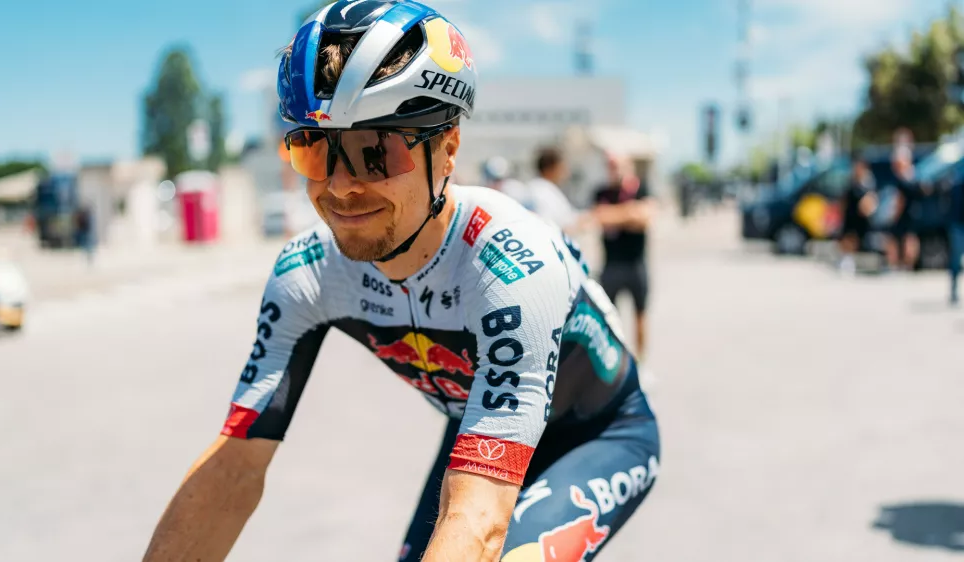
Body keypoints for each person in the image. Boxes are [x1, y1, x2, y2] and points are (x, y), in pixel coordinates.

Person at [142, 2, 660, 561]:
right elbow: (234, 470)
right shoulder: (307, 274)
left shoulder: (509, 263)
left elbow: (480, 521)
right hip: (478, 425)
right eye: (313, 151)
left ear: (449, 148)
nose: (339, 188)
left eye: (373, 152)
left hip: (599, 435)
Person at [591, 154, 655, 364]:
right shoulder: (601, 192)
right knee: (608, 317)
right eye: (610, 166)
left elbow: (645, 218)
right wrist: (629, 213)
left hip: (636, 263)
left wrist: (615, 215)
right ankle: (615, 364)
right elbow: (599, 217)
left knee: (640, 316)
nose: (614, 170)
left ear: (628, 167)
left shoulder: (641, 188)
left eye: (618, 166)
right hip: (611, 264)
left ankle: (641, 365)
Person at [837, 153, 878, 275]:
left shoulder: (868, 182)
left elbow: (872, 199)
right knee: (847, 238)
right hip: (850, 215)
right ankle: (846, 261)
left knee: (858, 239)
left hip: (862, 217)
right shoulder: (850, 182)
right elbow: (843, 199)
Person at [886, 148, 923, 271]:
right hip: (914, 213)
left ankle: (896, 264)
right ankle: (908, 264)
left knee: (897, 239)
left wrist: (894, 214)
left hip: (904, 213)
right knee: (910, 238)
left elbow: (900, 200)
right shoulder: (915, 176)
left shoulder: (902, 179)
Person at [950, 174, 964, 304]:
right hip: (958, 225)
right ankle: (954, 288)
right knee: (956, 260)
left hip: (957, 224)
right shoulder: (957, 182)